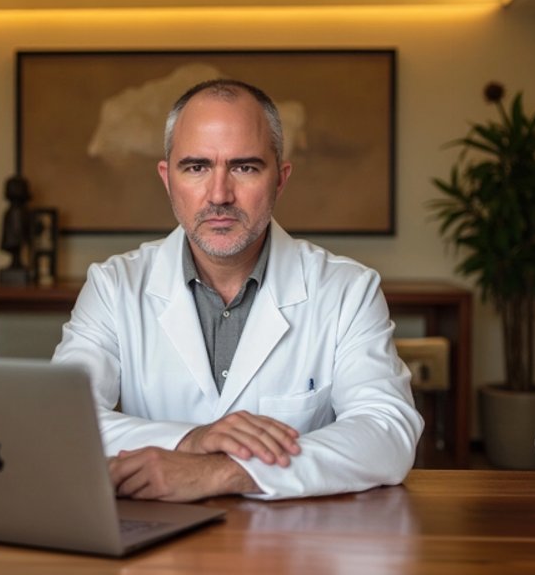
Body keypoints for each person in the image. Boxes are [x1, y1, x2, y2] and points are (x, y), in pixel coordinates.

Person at [51, 79, 421, 502]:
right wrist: (191, 441)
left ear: (280, 179)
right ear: (167, 179)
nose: (220, 195)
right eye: (196, 167)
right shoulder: (114, 286)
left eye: (245, 167)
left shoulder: (347, 289)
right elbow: (61, 421)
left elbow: (388, 433)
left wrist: (225, 471)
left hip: (296, 548)